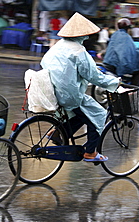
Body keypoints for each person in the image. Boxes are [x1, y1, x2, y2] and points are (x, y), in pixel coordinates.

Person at [41, 12, 121, 162]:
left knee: (83, 114)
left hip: (53, 90)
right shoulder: (78, 51)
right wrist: (114, 82)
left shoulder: (58, 46)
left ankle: (58, 132)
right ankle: (90, 152)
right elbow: (94, 77)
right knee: (98, 114)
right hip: (69, 94)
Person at [103, 18, 139, 88]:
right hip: (117, 64)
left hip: (108, 62)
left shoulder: (115, 35)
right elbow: (132, 50)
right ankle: (133, 89)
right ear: (128, 28)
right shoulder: (126, 37)